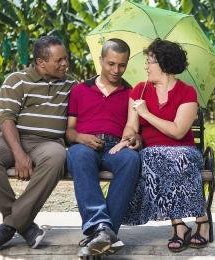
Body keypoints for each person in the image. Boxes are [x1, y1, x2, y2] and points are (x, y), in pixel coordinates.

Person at [0, 35, 75, 253]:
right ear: (41, 62)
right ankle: (25, 226)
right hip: (12, 140)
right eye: (59, 60)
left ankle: (8, 227)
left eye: (66, 59)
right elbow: (6, 118)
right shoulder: (17, 80)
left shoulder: (71, 84)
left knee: (57, 157)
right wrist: (18, 154)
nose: (65, 64)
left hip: (48, 144)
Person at [110, 38, 211, 252]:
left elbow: (178, 131)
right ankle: (187, 223)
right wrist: (128, 138)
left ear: (164, 64)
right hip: (152, 153)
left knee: (171, 159)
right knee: (154, 156)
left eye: (150, 61)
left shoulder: (187, 92)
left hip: (184, 152)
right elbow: (130, 126)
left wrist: (146, 113)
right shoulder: (139, 90)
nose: (146, 66)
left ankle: (193, 223)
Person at [66, 38, 140, 257]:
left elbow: (137, 131)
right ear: (100, 61)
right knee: (78, 156)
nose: (117, 70)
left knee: (132, 159)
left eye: (122, 65)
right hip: (84, 145)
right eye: (111, 64)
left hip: (116, 147)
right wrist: (80, 137)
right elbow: (69, 131)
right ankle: (103, 230)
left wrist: (134, 140)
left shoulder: (131, 93)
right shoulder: (80, 90)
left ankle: (102, 235)